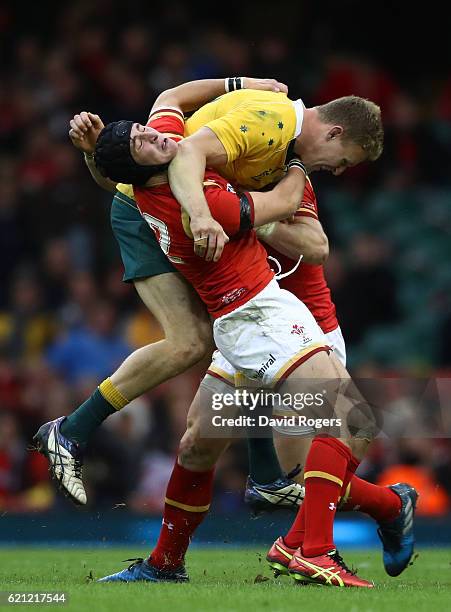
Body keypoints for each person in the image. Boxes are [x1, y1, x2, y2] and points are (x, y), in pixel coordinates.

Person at [92, 105, 416, 588]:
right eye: (342, 160)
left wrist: (252, 215)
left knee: (300, 466)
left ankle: (320, 540)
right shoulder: (213, 165)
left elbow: (318, 246)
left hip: (300, 324)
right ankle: (168, 563)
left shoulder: (278, 172)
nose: (338, 171)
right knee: (199, 444)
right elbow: (156, 152)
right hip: (251, 322)